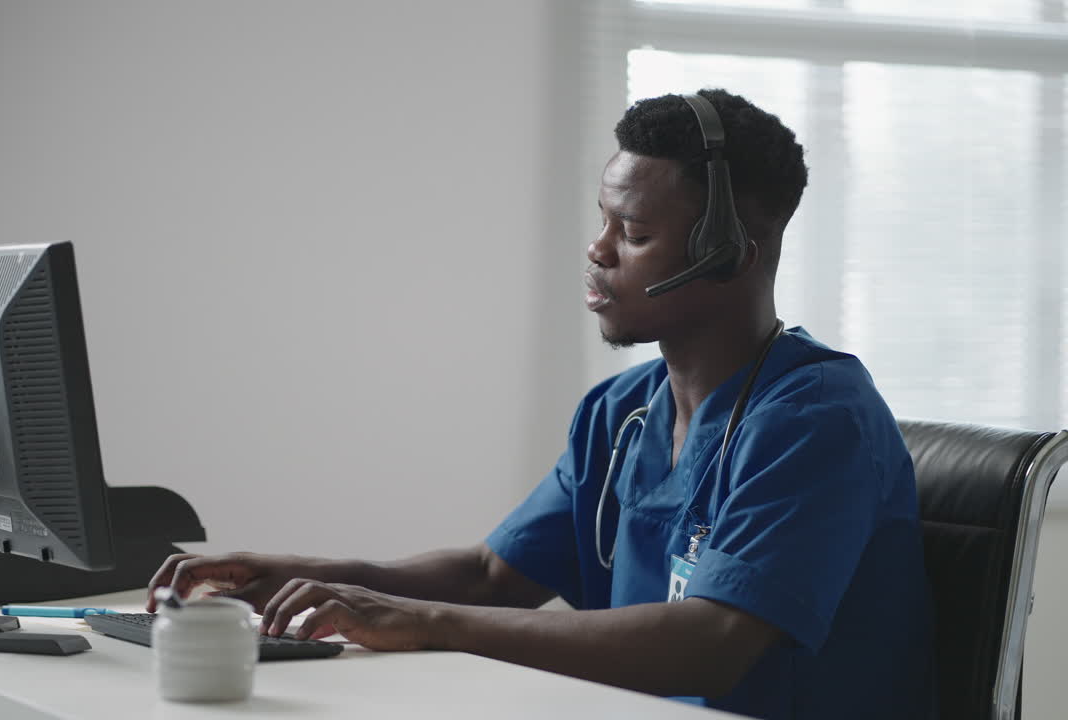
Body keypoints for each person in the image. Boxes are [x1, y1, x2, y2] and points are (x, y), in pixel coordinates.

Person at [146, 89, 936, 720]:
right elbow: (492, 575)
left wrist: (423, 622)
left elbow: (712, 644)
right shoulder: (622, 413)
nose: (597, 250)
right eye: (603, 220)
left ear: (729, 255)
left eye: (632, 232)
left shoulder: (815, 419)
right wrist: (295, 575)